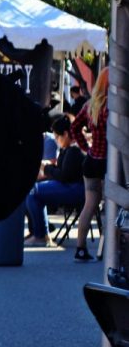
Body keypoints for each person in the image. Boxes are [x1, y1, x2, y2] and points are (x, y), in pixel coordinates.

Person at [24, 115, 85, 246]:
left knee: (33, 191)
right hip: (73, 186)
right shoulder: (71, 148)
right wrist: (49, 167)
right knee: (34, 190)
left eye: (57, 137)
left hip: (75, 189)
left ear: (66, 134)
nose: (56, 140)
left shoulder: (74, 150)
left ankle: (41, 235)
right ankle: (39, 232)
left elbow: (64, 176)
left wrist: (46, 168)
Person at [70, 67, 109, 262]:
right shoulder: (114, 108)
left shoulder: (90, 105)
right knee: (114, 206)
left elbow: (74, 127)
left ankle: (81, 248)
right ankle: (109, 250)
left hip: (92, 161)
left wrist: (86, 148)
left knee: (89, 205)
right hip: (110, 164)